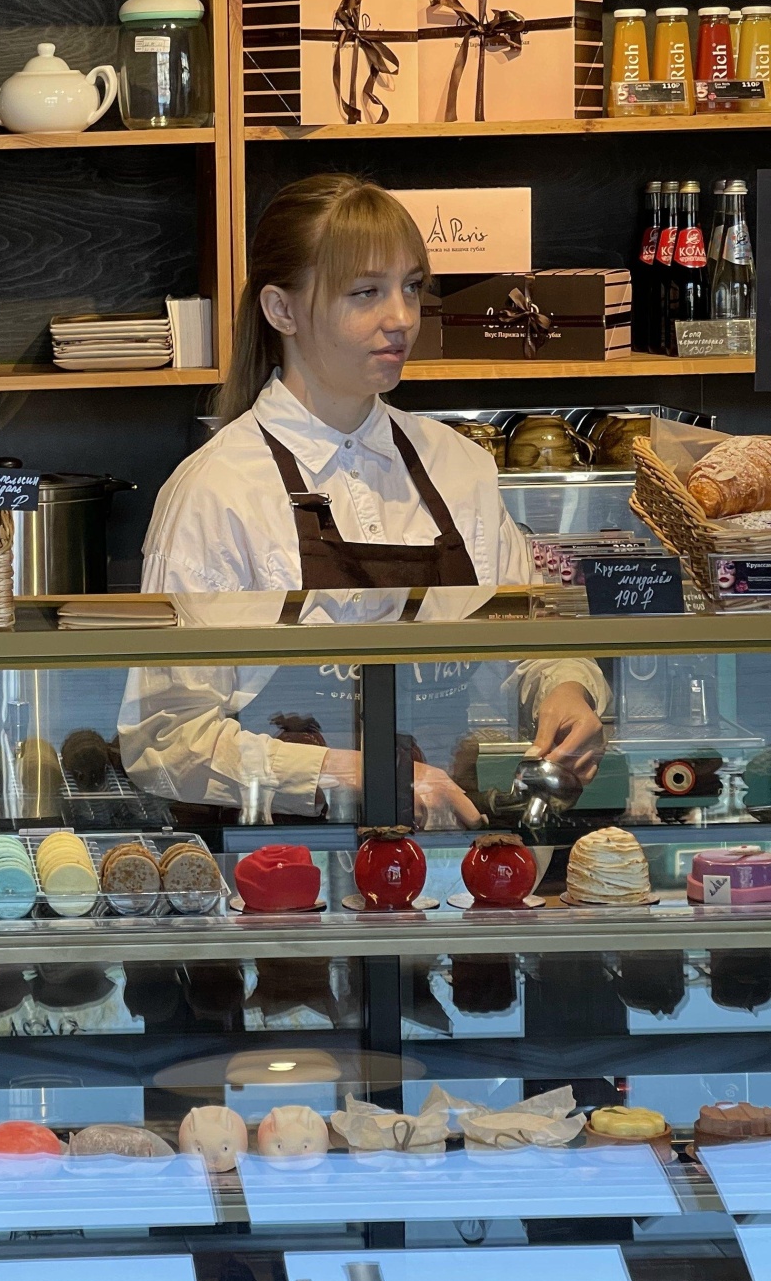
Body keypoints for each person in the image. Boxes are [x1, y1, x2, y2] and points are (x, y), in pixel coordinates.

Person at [119, 175, 608, 828]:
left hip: (447, 867)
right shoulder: (217, 493)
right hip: (280, 881)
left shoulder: (457, 467)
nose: (401, 317)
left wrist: (566, 688)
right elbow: (168, 744)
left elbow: (532, 632)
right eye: (365, 293)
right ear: (281, 310)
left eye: (411, 286)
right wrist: (363, 777)